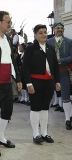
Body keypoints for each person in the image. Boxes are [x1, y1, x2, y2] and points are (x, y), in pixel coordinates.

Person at [23, 24, 61, 144]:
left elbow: (55, 66)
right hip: (35, 82)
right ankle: (36, 134)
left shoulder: (50, 48)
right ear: (35, 34)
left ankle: (44, 133)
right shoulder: (30, 49)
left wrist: (57, 81)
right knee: (35, 107)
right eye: (40, 32)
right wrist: (28, 83)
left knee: (45, 108)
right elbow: (25, 68)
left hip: (49, 82)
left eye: (45, 32)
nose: (43, 34)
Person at [47, 22, 72, 130]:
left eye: (61, 28)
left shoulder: (69, 41)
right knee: (48, 96)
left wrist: (60, 60)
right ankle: (43, 119)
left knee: (66, 95)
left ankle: (68, 119)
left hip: (63, 72)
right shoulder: (48, 41)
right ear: (53, 30)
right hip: (51, 73)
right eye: (57, 28)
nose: (59, 30)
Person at [0, 11, 22, 148]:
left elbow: (12, 61)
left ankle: (1, 137)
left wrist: (18, 78)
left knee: (7, 110)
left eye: (10, 21)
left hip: (6, 81)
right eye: (7, 21)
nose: (10, 24)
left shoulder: (8, 39)